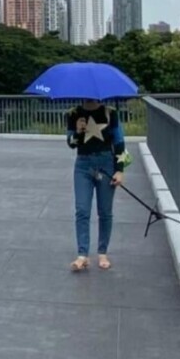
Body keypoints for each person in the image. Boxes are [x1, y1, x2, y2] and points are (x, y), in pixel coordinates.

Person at [65, 98, 127, 271]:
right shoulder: (73, 114)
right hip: (83, 164)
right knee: (82, 210)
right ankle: (82, 254)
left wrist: (119, 170)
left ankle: (102, 252)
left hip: (105, 162)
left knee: (105, 211)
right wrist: (78, 131)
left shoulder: (110, 113)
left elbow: (119, 141)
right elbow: (70, 143)